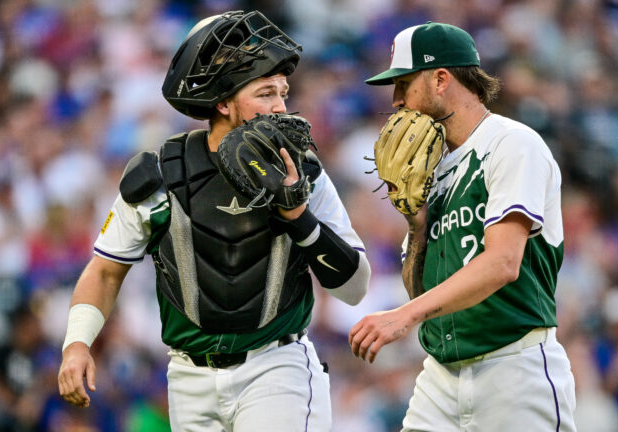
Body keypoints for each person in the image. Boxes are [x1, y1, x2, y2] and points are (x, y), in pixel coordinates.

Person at [57, 10, 370, 431]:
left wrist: (298, 216)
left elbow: (355, 287)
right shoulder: (163, 173)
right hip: (188, 377)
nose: (280, 106)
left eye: (283, 92)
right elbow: (106, 270)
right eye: (265, 93)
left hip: (276, 367)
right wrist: (76, 344)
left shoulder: (306, 173)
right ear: (222, 101)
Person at [349, 22, 576, 431]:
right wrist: (416, 229)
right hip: (440, 374)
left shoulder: (511, 143)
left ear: (440, 79)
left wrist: (402, 316)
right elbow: (420, 289)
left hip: (513, 369)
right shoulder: (429, 167)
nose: (396, 100)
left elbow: (503, 263)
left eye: (403, 84)